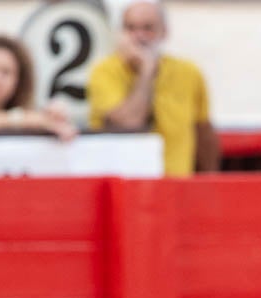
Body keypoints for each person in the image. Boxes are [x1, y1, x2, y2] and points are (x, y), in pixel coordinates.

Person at [86, 1, 219, 177]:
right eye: (130, 28)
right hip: (126, 187)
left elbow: (203, 132)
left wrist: (208, 186)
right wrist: (146, 72)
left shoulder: (188, 73)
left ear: (164, 32)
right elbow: (128, 123)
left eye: (148, 28)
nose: (139, 36)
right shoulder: (104, 72)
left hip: (176, 185)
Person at [0, 35, 76, 141]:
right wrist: (24, 119)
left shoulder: (31, 117)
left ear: (19, 81)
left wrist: (55, 118)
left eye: (6, 72)